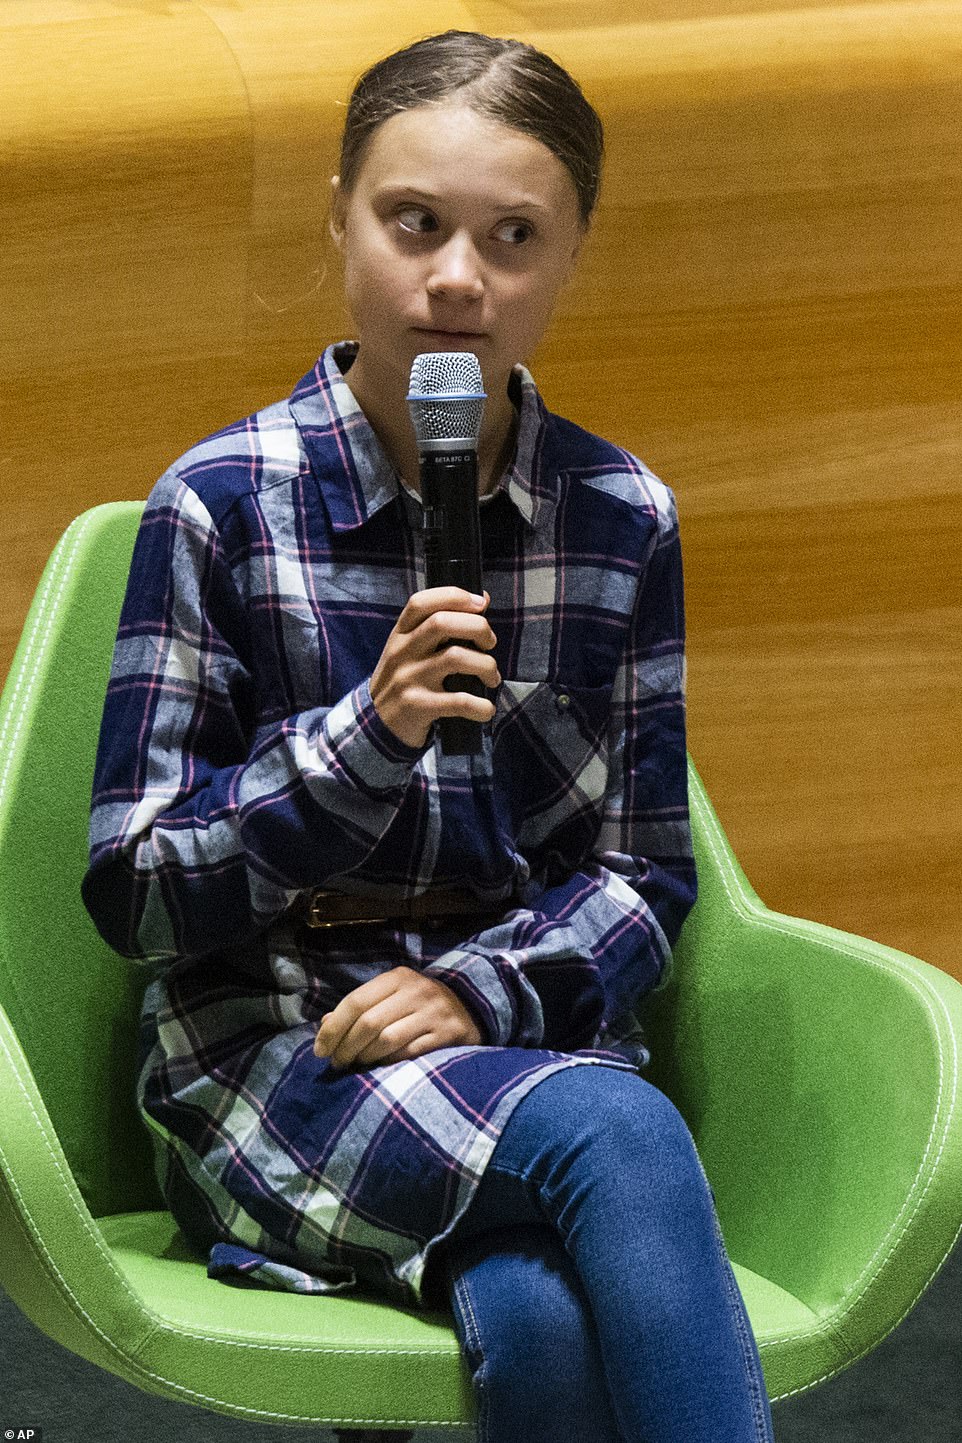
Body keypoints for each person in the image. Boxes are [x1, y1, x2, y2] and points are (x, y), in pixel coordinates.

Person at [81, 28, 775, 1443]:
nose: (459, 278)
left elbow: (645, 878)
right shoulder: (218, 504)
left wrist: (478, 994)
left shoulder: (619, 516)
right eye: (416, 223)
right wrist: (365, 741)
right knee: (622, 1138)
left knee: (532, 1324)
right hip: (280, 1045)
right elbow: (134, 892)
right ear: (341, 216)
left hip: (515, 1041)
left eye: (513, 236)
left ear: (570, 255)